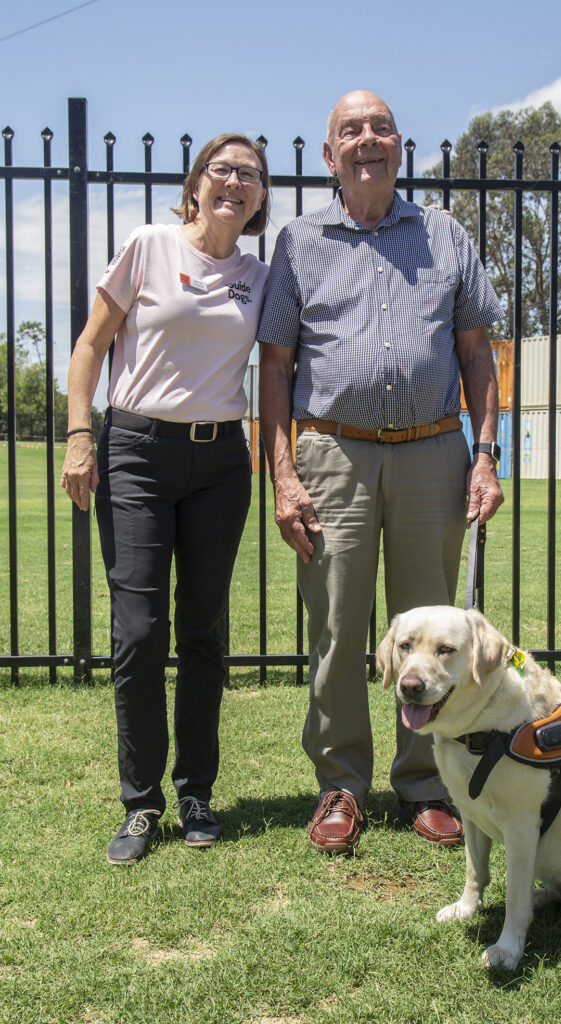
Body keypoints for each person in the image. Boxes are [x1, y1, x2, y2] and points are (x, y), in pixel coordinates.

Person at [258, 90, 504, 855]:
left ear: (400, 146)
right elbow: (274, 368)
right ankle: (340, 783)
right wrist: (283, 476)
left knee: (431, 629)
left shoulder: (446, 236)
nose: (368, 139)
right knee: (336, 626)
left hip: (436, 451)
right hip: (331, 452)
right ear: (330, 155)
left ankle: (426, 781)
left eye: (381, 128)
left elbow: (476, 355)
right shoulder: (298, 243)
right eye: (350, 131)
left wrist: (487, 452)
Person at [62, 134, 270, 864]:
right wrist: (81, 434)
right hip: (139, 452)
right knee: (142, 630)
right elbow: (91, 343)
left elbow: (280, 364)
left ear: (259, 198)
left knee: (205, 631)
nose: (235, 183)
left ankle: (196, 792)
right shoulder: (148, 245)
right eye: (223, 169)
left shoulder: (259, 275)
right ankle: (141, 803)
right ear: (197, 181)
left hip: (221, 462)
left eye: (249, 176)